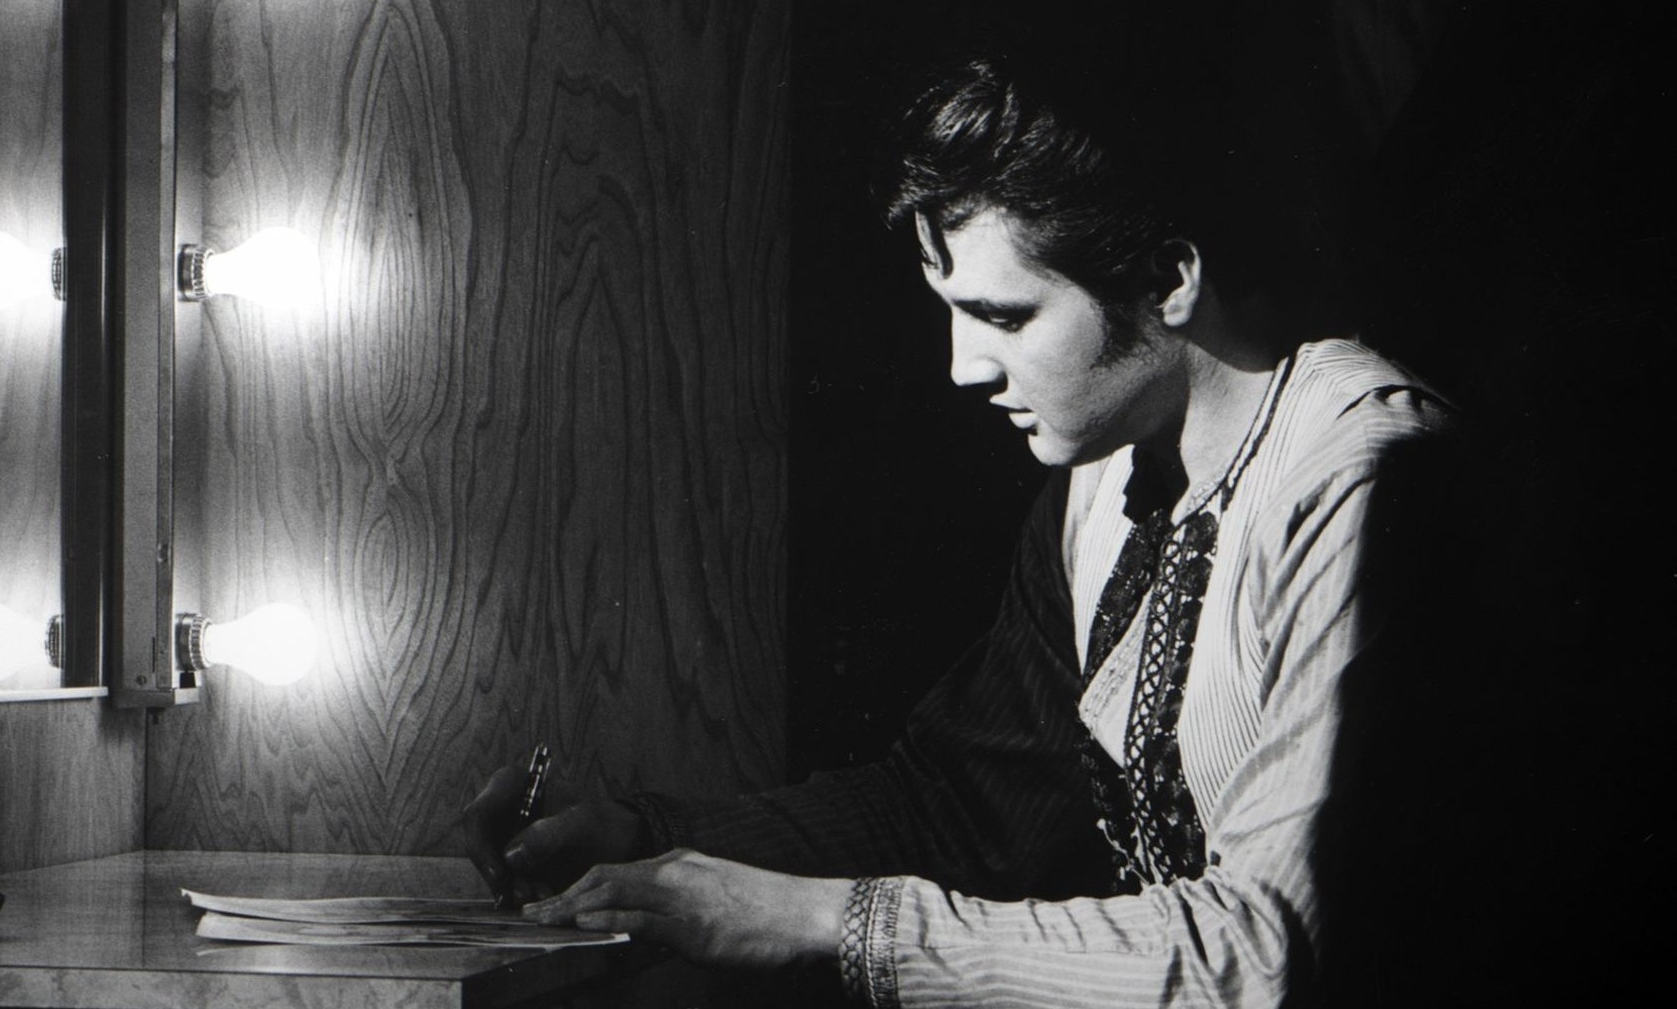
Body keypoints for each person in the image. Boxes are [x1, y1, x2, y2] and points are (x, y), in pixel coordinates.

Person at [462, 53, 1455, 1007]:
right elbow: (962, 810)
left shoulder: (1362, 474)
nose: (962, 366)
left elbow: (1266, 959)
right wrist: (644, 839)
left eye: (1005, 316)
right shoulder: (1104, 480)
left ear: (1169, 280)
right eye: (951, 311)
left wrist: (828, 921)